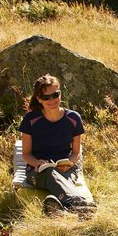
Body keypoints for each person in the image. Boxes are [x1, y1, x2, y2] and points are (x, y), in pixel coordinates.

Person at [19, 74, 95, 217]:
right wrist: (36, 162)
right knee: (50, 173)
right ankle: (81, 205)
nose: (52, 100)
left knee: (59, 176)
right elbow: (26, 154)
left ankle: (60, 211)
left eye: (55, 95)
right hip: (38, 171)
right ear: (39, 99)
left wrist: (70, 163)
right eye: (46, 97)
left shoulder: (73, 118)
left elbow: (76, 152)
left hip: (66, 168)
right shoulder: (30, 119)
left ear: (60, 93)